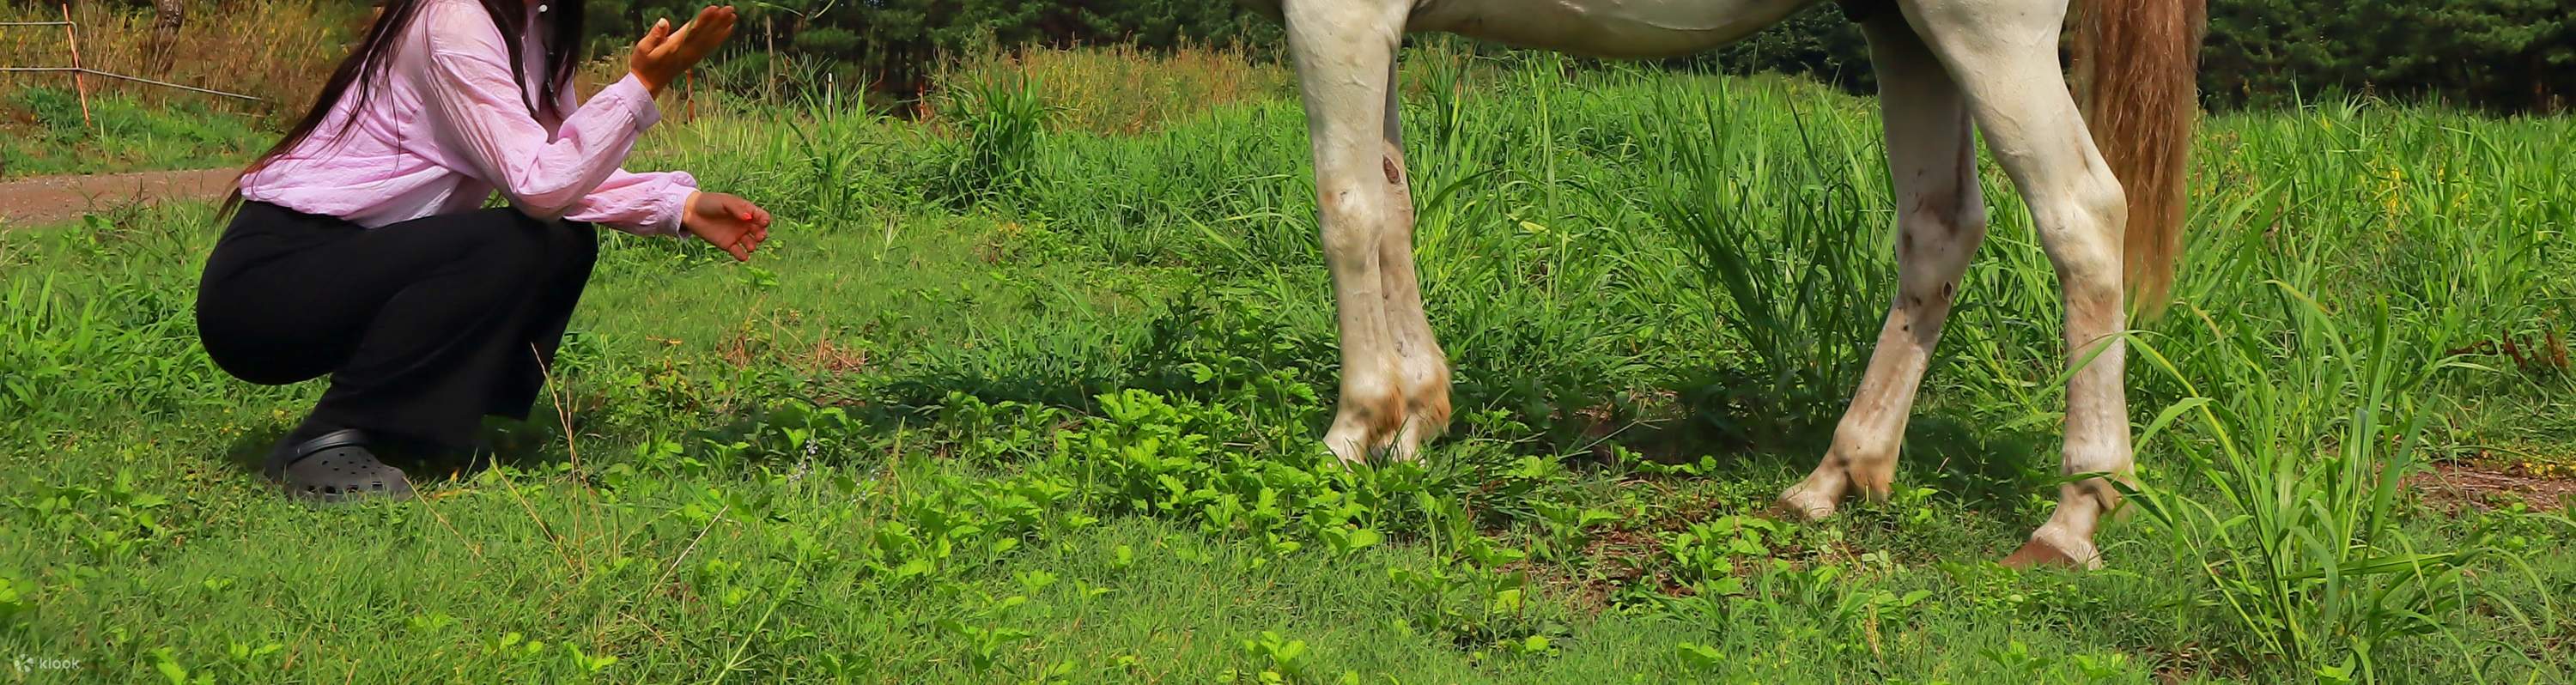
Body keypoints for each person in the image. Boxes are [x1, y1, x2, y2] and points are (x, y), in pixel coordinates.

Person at [195, 0, 774, 504]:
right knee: (520, 241)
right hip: (269, 288)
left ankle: (415, 428)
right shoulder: (454, 22)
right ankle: (324, 441)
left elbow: (558, 161)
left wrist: (680, 205)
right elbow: (541, 184)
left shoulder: (534, 24)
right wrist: (642, 86)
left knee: (559, 241)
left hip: (354, 261)